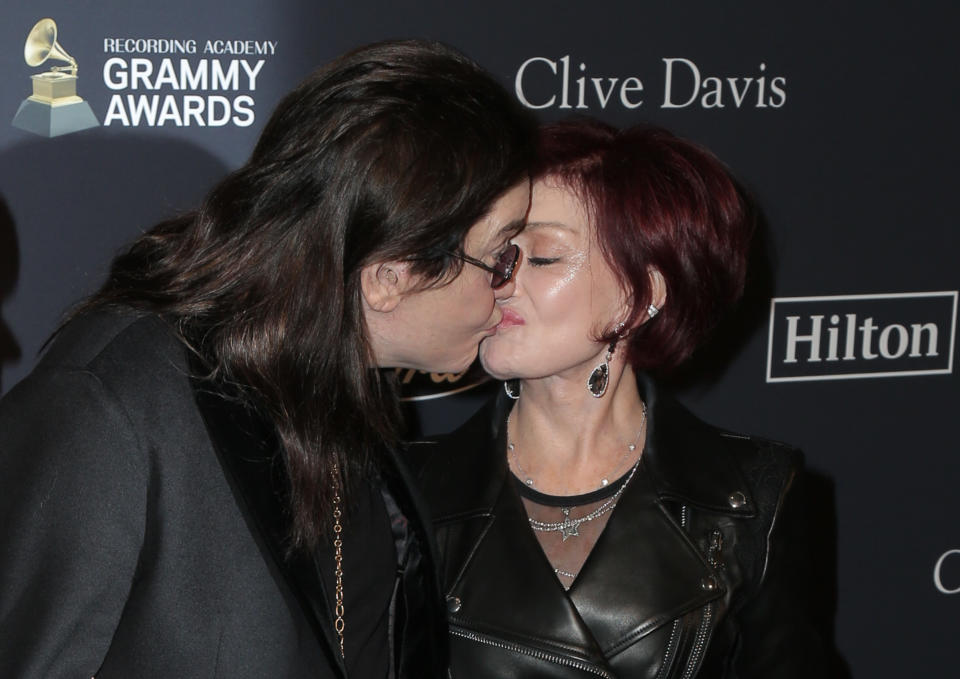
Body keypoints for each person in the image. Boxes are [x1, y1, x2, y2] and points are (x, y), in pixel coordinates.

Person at [0, 40, 535, 679]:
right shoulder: (110, 407)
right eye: (501, 256)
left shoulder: (346, 394)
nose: (511, 287)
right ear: (388, 276)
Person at [411, 119, 824, 677]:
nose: (500, 282)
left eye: (543, 258)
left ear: (640, 296)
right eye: (499, 255)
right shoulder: (407, 490)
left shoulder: (752, 497)